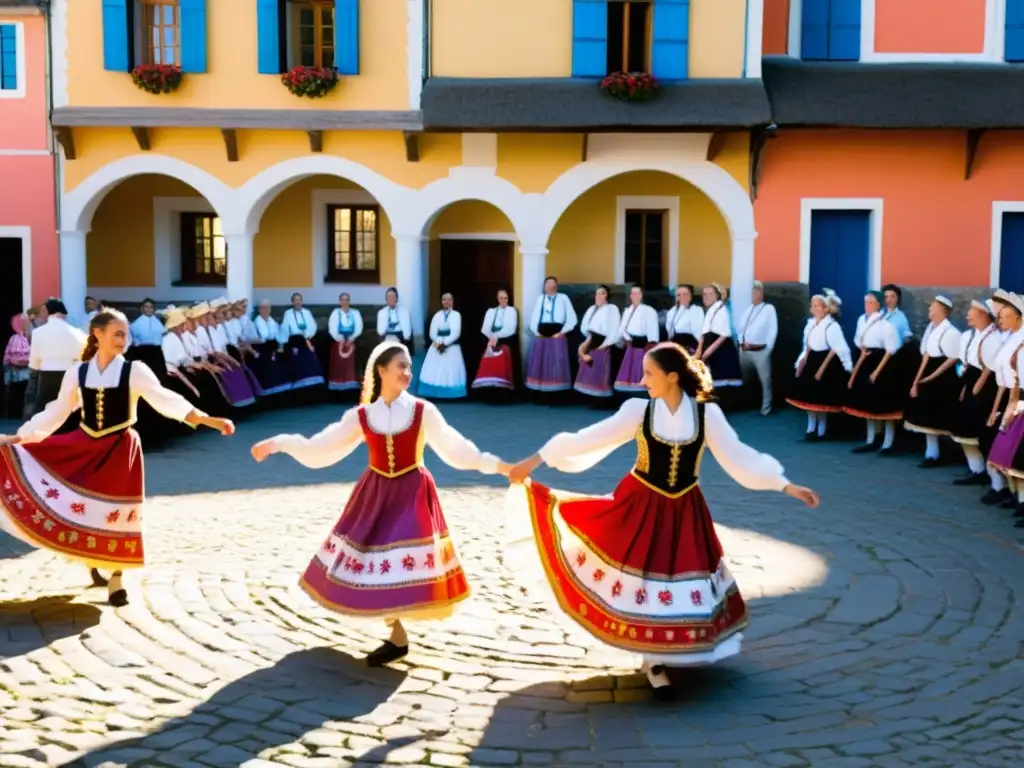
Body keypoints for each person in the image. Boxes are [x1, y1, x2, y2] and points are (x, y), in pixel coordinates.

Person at [504, 342, 818, 699]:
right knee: (642, 577)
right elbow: (588, 439)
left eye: (649, 373)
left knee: (679, 576)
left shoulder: (706, 416)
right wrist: (536, 459)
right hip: (640, 504)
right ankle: (653, 661)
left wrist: (785, 485)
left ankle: (667, 649)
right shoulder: (639, 411)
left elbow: (739, 457)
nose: (642, 380)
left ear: (672, 376)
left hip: (685, 509)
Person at [250, 341, 511, 666]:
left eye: (408, 367)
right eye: (401, 366)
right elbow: (320, 447)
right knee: (371, 561)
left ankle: (397, 635)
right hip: (374, 496)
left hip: (413, 494)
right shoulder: (362, 415)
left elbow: (457, 449)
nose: (407, 372)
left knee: (399, 561)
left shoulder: (421, 410)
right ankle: (397, 635)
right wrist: (279, 443)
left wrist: (498, 466)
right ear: (382, 370)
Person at [0, 310, 234, 606]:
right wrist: (20, 437)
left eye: (126, 334)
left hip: (121, 448)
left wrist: (205, 419)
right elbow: (57, 411)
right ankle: (91, 558)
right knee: (83, 506)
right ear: (97, 335)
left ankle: (117, 578)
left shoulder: (134, 370)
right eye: (118, 334)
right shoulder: (78, 372)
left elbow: (164, 399)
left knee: (120, 514)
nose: (124, 340)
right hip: (84, 445)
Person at [904, 296, 963, 467]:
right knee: (927, 415)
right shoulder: (931, 328)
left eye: (933, 307)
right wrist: (918, 380)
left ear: (942, 310)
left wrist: (931, 377)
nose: (930, 309)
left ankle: (951, 452)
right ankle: (932, 453)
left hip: (944, 377)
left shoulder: (951, 332)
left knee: (941, 414)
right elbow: (926, 356)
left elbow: (952, 358)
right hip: (930, 371)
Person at [785, 290, 851, 441]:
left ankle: (822, 429)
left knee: (821, 399)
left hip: (825, 362)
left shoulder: (831, 326)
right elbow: (806, 345)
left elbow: (838, 347)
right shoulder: (810, 325)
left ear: (826, 308)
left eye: (818, 306)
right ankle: (810, 427)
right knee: (809, 398)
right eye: (812, 306)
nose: (814, 309)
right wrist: (801, 361)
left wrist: (842, 366)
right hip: (812, 360)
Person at [951, 300, 1005, 486]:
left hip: (985, 387)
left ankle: (995, 481)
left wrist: (977, 387)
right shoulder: (973, 335)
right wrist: (967, 386)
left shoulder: (993, 338)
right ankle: (977, 469)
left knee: (979, 431)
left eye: (971, 312)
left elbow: (989, 368)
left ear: (983, 315)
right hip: (972, 381)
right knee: (965, 430)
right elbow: (967, 363)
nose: (967, 315)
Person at [844, 291, 905, 455]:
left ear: (879, 304)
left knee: (885, 405)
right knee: (868, 403)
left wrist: (877, 371)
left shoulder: (886, 325)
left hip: (883, 364)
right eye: (866, 302)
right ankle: (871, 439)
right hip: (866, 360)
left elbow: (891, 349)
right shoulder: (861, 320)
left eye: (871, 302)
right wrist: (862, 350)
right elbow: (858, 339)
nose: (867, 305)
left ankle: (888, 442)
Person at [981, 292, 1024, 508]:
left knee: (1013, 451)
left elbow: (1017, 381)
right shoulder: (1009, 338)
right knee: (1005, 450)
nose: (1001, 320)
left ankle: (1017, 498)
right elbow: (1006, 378)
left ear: (1019, 317)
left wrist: (1014, 406)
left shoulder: (1021, 342)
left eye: (1006, 316)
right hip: (1010, 397)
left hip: (1019, 400)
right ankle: (1010, 493)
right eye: (1001, 316)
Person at [27, 299, 88, 423]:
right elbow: (84, 356)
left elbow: (34, 361)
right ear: (63, 314)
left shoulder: (38, 332)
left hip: (47, 374)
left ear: (48, 312)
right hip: (70, 373)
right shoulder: (76, 333)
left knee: (44, 410)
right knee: (69, 410)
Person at [525, 276, 578, 394]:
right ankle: (540, 392)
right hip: (541, 336)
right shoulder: (541, 299)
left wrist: (562, 332)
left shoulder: (563, 298)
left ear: (556, 286)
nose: (549, 286)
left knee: (556, 363)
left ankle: (557, 393)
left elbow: (571, 317)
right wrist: (536, 332)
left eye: (552, 284)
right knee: (540, 363)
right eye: (547, 284)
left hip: (557, 335)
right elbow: (535, 316)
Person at [737, 281, 779, 416]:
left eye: (757, 292)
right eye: (752, 293)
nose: (754, 295)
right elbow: (740, 329)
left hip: (761, 351)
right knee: (744, 378)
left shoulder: (769, 308)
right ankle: (746, 404)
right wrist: (741, 343)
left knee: (765, 380)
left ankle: (766, 407)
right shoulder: (749, 309)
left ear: (762, 294)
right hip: (745, 351)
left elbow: (773, 329)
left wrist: (769, 349)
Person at [573, 285, 621, 400]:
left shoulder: (612, 308)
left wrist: (606, 344)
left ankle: (604, 400)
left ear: (607, 295)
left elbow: (614, 328)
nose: (599, 296)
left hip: (604, 342)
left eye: (602, 293)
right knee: (591, 370)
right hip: (591, 340)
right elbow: (585, 326)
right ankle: (593, 398)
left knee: (602, 370)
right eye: (597, 293)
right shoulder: (592, 309)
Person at [418, 293, 467, 400]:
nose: (447, 302)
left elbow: (456, 332)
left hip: (451, 346)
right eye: (444, 300)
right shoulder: (437, 315)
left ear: (452, 301)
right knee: (434, 370)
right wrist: (437, 342)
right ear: (441, 301)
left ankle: (451, 394)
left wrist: (445, 343)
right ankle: (434, 394)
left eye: (449, 300)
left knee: (450, 371)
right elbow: (432, 332)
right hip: (437, 345)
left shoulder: (456, 315)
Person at [613, 284, 660, 395]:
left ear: (641, 295)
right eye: (633, 293)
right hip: (631, 344)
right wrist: (627, 338)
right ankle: (630, 395)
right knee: (628, 371)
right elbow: (622, 328)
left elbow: (652, 328)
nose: (635, 296)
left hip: (643, 345)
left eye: (637, 293)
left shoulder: (648, 310)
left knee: (641, 369)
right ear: (630, 296)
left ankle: (643, 394)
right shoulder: (627, 311)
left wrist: (651, 343)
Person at [471, 290, 519, 394]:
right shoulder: (491, 311)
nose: (503, 300)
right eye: (501, 298)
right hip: (491, 341)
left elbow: (511, 329)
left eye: (505, 298)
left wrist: (497, 338)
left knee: (503, 354)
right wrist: (492, 338)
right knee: (486, 356)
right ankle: (487, 389)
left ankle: (502, 389)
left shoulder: (511, 311)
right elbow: (485, 328)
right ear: (497, 299)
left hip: (506, 340)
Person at [695, 283, 742, 388]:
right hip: (711, 352)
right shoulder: (710, 311)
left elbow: (723, 336)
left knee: (722, 385)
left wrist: (705, 355)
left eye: (710, 294)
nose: (706, 297)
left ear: (717, 296)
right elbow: (704, 333)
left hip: (721, 352)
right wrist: (699, 351)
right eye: (704, 294)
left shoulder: (721, 311)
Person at [280, 293, 325, 390]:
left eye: (299, 300)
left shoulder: (307, 312)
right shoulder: (288, 313)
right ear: (292, 302)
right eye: (295, 300)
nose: (297, 302)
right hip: (294, 342)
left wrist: (307, 336)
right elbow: (285, 329)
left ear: (302, 301)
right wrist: (282, 344)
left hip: (307, 340)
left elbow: (313, 326)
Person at [250, 300, 292, 396]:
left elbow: (278, 333)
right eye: (264, 308)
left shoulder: (271, 320)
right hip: (262, 347)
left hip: (273, 346)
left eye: (268, 308)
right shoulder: (257, 321)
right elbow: (262, 336)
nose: (266, 311)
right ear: (260, 310)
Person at [327, 293, 364, 393]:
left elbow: (359, 327)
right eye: (342, 300)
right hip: (339, 341)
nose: (345, 302)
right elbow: (332, 329)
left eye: (347, 300)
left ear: (349, 301)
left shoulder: (355, 312)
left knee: (354, 354)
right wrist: (340, 339)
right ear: (340, 301)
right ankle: (338, 387)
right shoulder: (335, 312)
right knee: (338, 356)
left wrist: (351, 338)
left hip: (352, 340)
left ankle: (351, 387)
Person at [3, 314, 31, 420]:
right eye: (25, 322)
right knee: (17, 402)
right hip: (18, 378)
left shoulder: (30, 336)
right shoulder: (15, 339)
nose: (27, 324)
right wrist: (28, 362)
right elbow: (12, 360)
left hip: (28, 377)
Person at [665, 284, 703, 353]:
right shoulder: (672, 311)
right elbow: (669, 332)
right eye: (678, 295)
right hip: (675, 345)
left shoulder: (696, 310)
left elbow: (698, 332)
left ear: (691, 296)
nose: (682, 297)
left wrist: (699, 349)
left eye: (685, 294)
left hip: (690, 345)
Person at [376, 287, 414, 356]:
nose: (391, 298)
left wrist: (403, 337)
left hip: (400, 338)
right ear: (386, 299)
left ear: (397, 298)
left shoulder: (405, 312)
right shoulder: (381, 313)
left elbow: (407, 333)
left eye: (393, 296)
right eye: (389, 297)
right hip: (386, 337)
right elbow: (380, 331)